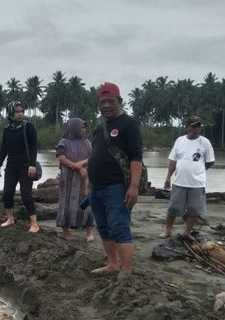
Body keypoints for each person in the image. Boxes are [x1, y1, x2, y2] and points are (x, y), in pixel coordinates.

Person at [87, 82, 143, 278]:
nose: (106, 105)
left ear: (119, 101)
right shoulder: (98, 128)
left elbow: (136, 158)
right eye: (102, 102)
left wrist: (134, 187)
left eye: (110, 101)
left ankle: (126, 270)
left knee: (118, 226)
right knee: (103, 227)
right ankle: (112, 264)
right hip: (97, 187)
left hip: (117, 187)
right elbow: (95, 155)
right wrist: (89, 184)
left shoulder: (129, 124)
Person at [160, 116, 215, 240]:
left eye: (198, 126)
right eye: (193, 126)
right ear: (187, 126)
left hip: (197, 183)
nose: (196, 129)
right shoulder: (180, 140)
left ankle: (187, 232)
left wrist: (199, 170)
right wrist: (168, 177)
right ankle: (167, 230)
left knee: (194, 210)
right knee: (173, 208)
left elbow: (210, 161)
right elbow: (173, 160)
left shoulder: (205, 142)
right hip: (179, 181)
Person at [0, 101, 40, 233]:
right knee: (7, 194)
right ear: (11, 113)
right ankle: (10, 218)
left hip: (26, 166)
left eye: (21, 111)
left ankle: (34, 224)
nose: (20, 114)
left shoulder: (28, 127)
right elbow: (4, 149)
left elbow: (34, 147)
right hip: (11, 166)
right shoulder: (7, 129)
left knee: (26, 194)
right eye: (17, 112)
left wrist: (32, 164)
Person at [55, 118, 95, 242]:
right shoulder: (64, 142)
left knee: (86, 204)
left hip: (85, 179)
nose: (83, 130)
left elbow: (92, 157)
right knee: (66, 204)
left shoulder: (87, 143)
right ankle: (66, 232)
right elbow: (62, 159)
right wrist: (77, 167)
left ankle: (89, 233)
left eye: (84, 128)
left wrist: (81, 164)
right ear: (73, 128)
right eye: (81, 127)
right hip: (68, 180)